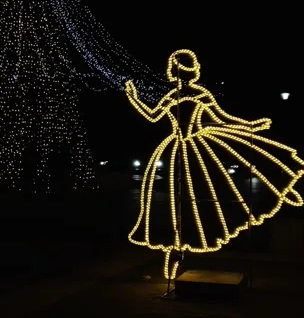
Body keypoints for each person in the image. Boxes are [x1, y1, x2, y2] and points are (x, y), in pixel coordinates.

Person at [126, 49, 304, 280]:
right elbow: (157, 116)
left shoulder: (188, 95)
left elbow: (221, 119)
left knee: (201, 193)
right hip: (183, 148)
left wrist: (250, 127)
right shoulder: (178, 95)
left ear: (178, 70)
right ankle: (178, 248)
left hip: (186, 148)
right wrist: (134, 98)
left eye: (176, 67)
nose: (174, 71)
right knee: (186, 198)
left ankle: (180, 248)